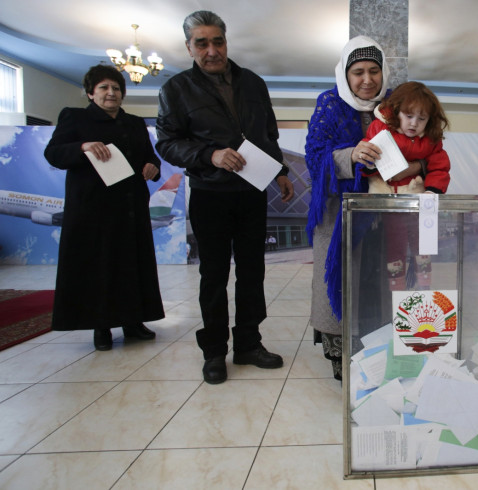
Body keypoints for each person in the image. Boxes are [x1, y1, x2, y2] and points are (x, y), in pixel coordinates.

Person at [156, 10, 294, 384]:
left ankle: (249, 344)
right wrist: (210, 155)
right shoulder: (175, 89)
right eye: (202, 43)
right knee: (213, 275)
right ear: (189, 47)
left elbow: (268, 135)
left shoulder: (253, 83)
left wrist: (279, 172)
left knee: (253, 271)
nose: (212, 50)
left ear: (226, 42)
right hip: (209, 193)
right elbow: (167, 144)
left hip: (251, 192)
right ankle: (215, 351)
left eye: (218, 41)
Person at [305, 36, 423, 380]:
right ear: (345, 73)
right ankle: (341, 355)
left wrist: (414, 169)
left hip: (387, 216)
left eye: (374, 71)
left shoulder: (396, 106)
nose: (367, 79)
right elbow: (314, 159)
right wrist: (350, 156)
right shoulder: (329, 103)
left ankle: (382, 350)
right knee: (343, 282)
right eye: (358, 72)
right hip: (341, 214)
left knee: (381, 283)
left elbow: (423, 150)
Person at [44, 65, 164, 351]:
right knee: (99, 267)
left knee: (132, 265)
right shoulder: (74, 117)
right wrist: (83, 146)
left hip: (130, 207)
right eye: (104, 88)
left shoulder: (134, 123)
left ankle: (134, 322)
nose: (111, 93)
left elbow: (151, 158)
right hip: (92, 209)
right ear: (90, 92)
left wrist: (153, 167)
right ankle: (102, 326)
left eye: (116, 88)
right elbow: (53, 153)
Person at [360, 81, 451, 290]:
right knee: (395, 244)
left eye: (421, 119)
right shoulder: (380, 130)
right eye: (409, 116)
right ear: (396, 112)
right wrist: (372, 167)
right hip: (390, 201)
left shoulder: (431, 140)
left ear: (429, 120)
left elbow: (440, 166)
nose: (414, 124)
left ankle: (425, 285)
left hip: (419, 200)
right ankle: (397, 287)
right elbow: (368, 160)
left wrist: (433, 191)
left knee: (423, 245)